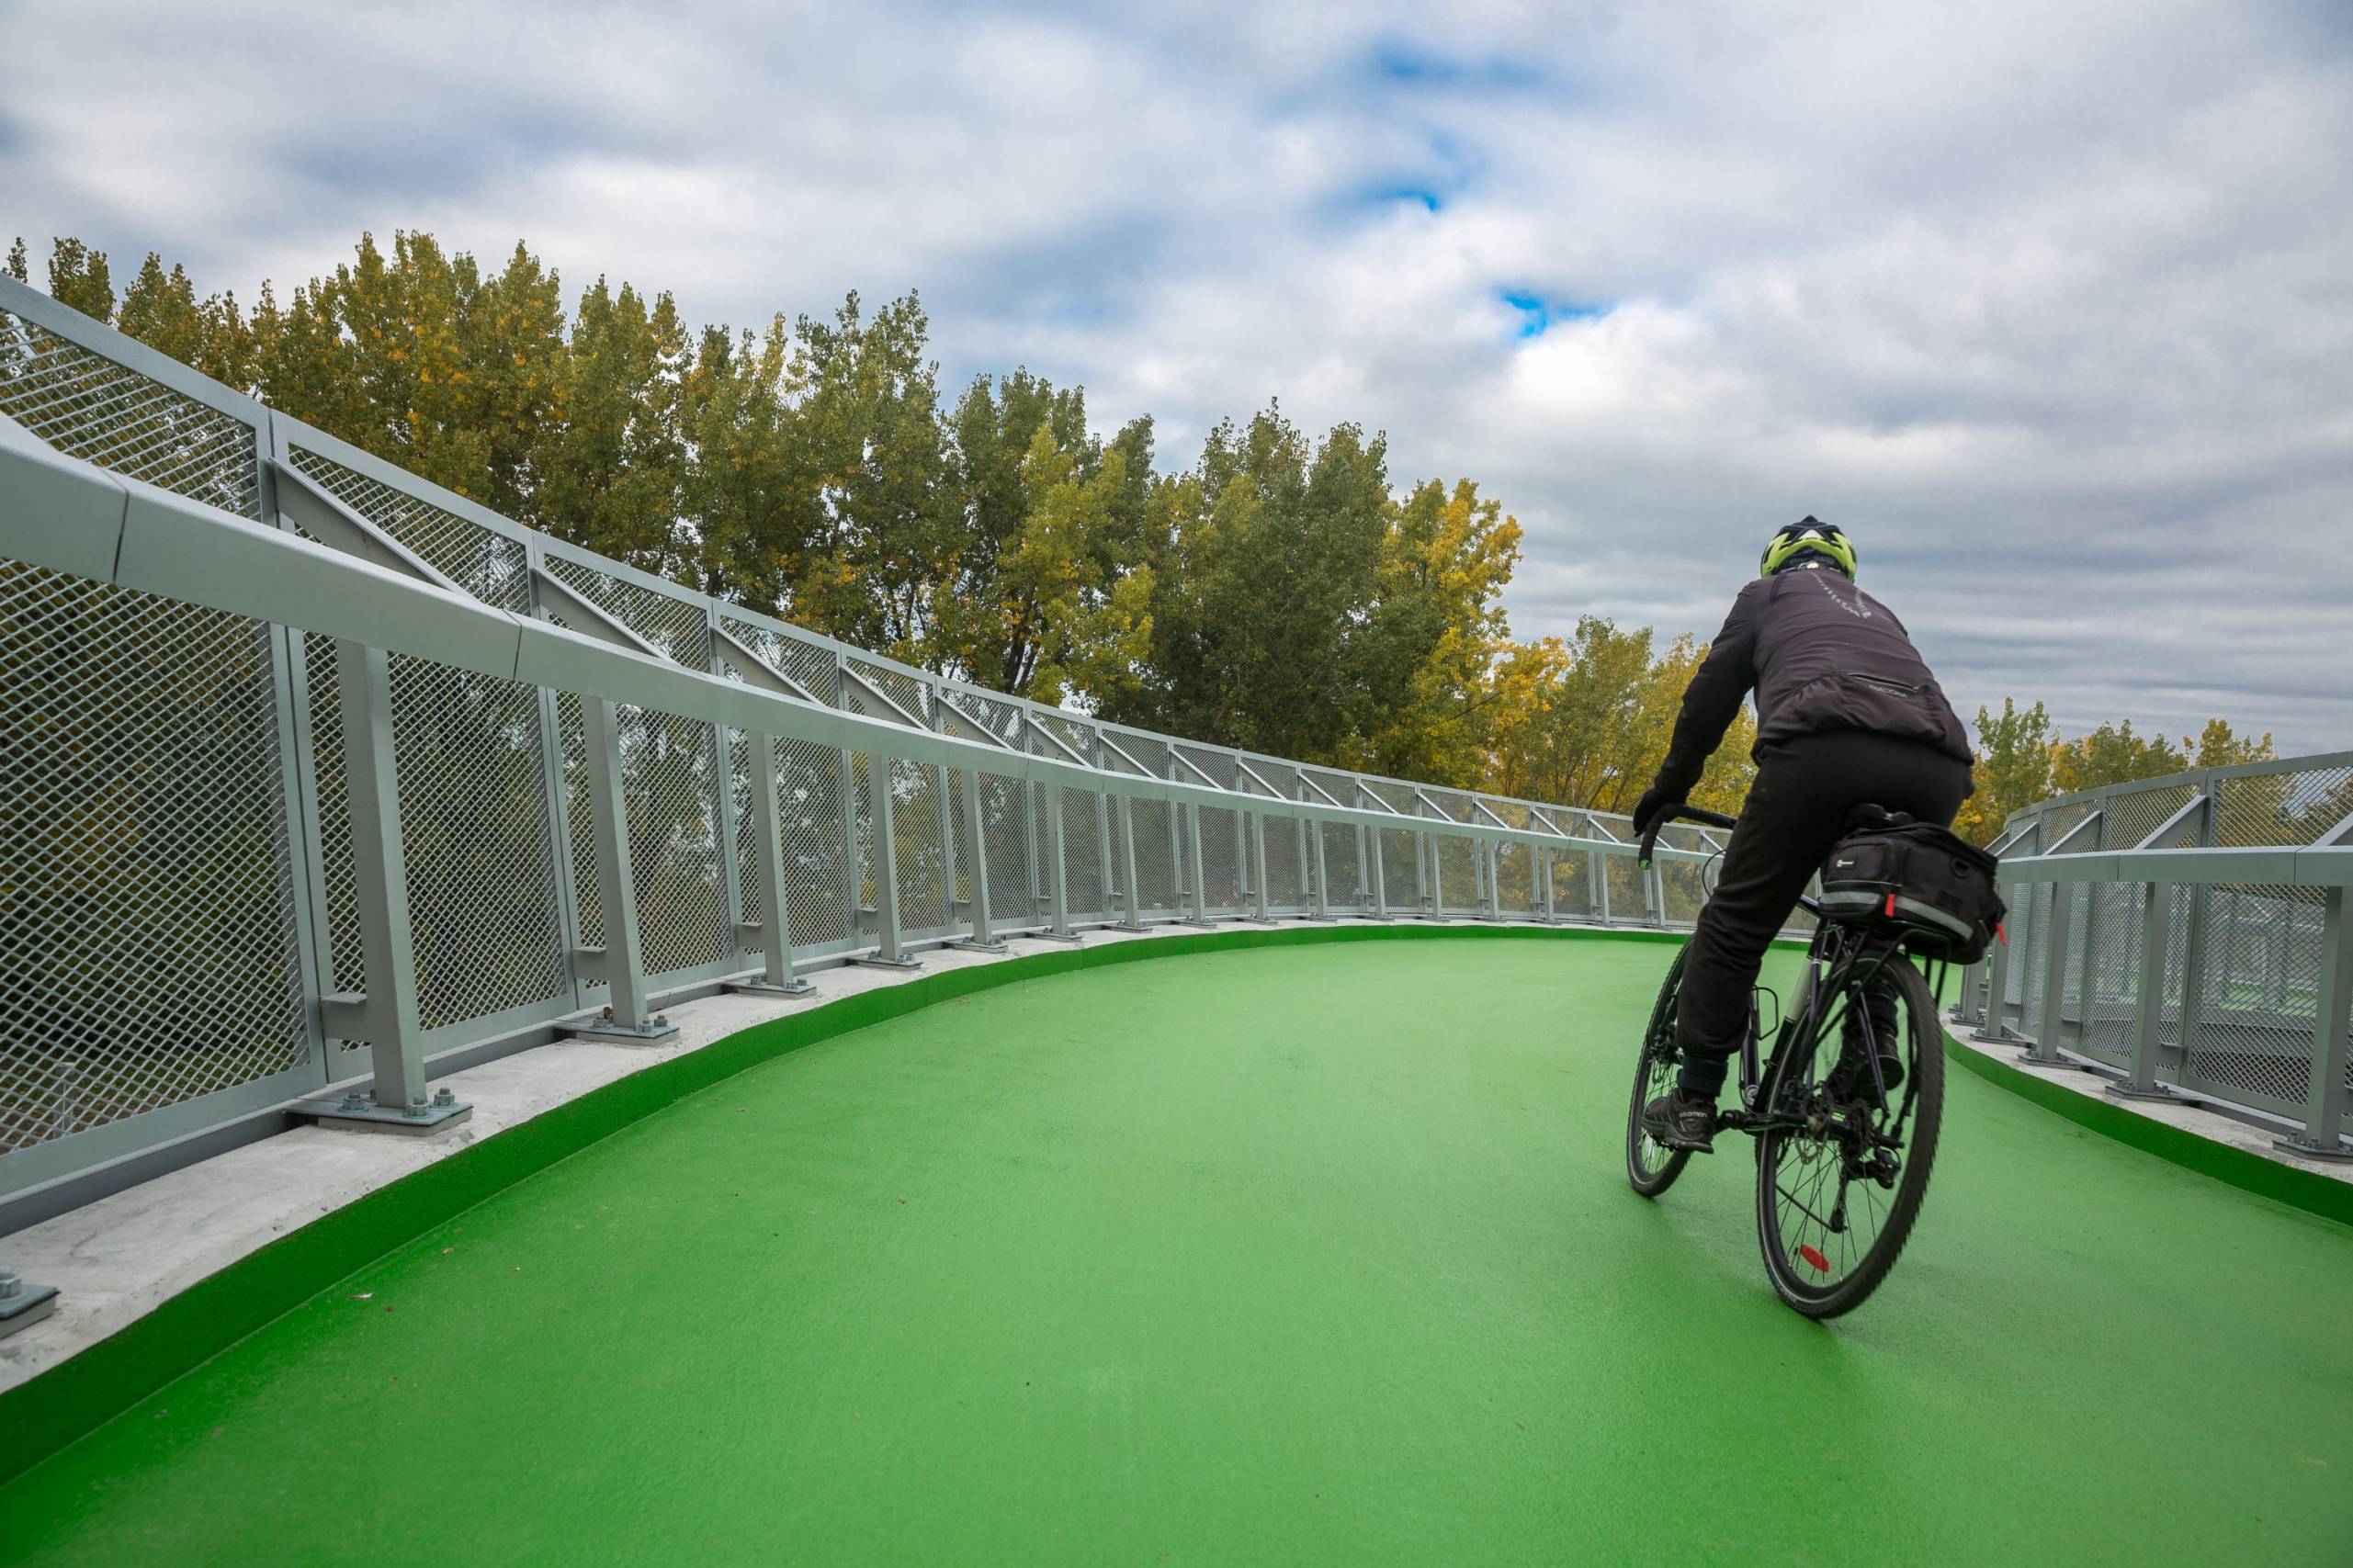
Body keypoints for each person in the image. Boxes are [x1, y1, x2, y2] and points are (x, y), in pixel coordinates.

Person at [1635, 518, 1974, 1153]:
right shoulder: (1879, 611)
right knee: (1865, 917)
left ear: (1777, 564)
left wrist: (1669, 788)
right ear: (1845, 569)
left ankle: (1694, 1097)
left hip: (1823, 746)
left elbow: (1708, 698)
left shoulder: (1763, 597)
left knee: (1736, 921)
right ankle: (1870, 1052)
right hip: (1938, 765)